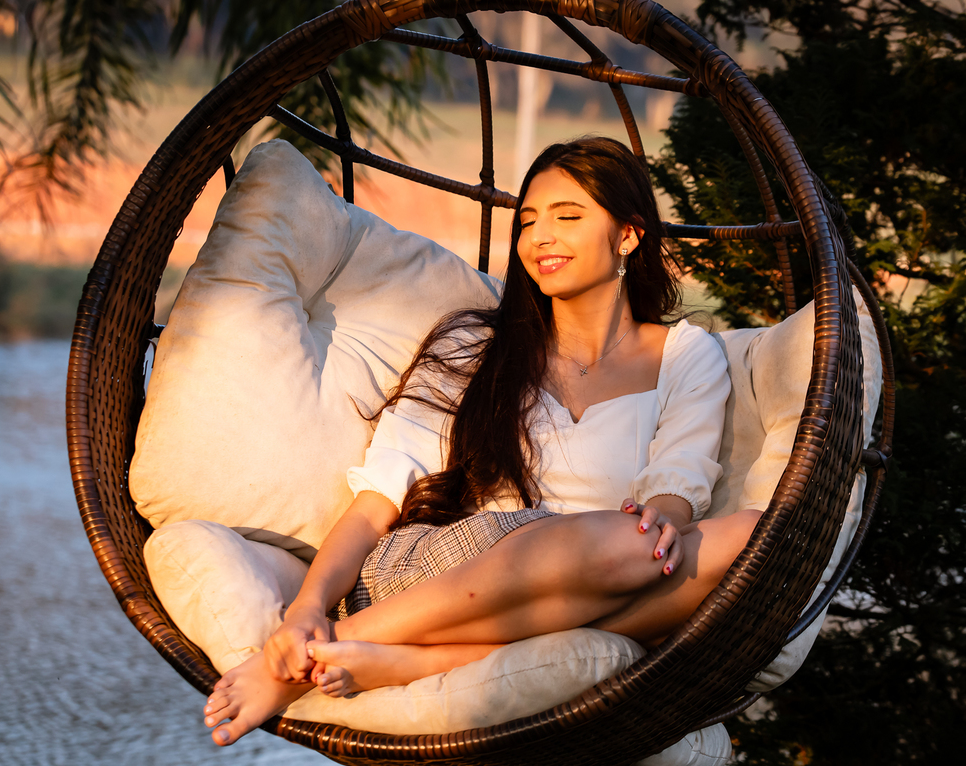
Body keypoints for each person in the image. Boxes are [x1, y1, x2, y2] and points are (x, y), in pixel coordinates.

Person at [202, 136, 762, 746]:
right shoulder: (474, 346)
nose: (540, 237)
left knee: (749, 538)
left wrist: (663, 523)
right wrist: (309, 608)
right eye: (529, 221)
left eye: (567, 217)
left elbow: (678, 484)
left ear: (627, 235)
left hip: (606, 570)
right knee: (630, 543)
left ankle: (409, 662)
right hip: (438, 572)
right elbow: (376, 499)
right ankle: (329, 650)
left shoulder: (685, 354)